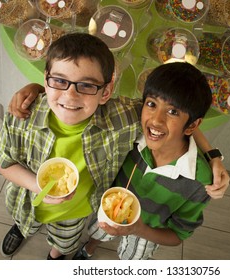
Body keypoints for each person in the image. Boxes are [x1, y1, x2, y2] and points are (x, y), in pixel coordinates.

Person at [3, 34, 229, 259]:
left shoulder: (122, 119)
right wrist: (36, 89)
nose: (70, 95)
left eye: (86, 85)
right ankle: (22, 229)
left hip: (76, 212)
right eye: (60, 81)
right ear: (47, 80)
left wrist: (212, 155)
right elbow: (4, 161)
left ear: (107, 91)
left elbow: (175, 116)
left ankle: (57, 255)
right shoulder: (23, 115)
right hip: (26, 201)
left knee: (64, 240)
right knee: (25, 221)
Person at [73, 62, 217, 260]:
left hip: (146, 232)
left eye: (173, 111)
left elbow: (178, 235)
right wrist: (36, 89)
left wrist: (139, 229)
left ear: (192, 125)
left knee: (131, 259)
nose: (156, 120)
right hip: (107, 210)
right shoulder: (132, 132)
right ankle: (90, 247)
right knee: (97, 232)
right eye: (151, 104)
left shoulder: (199, 181)